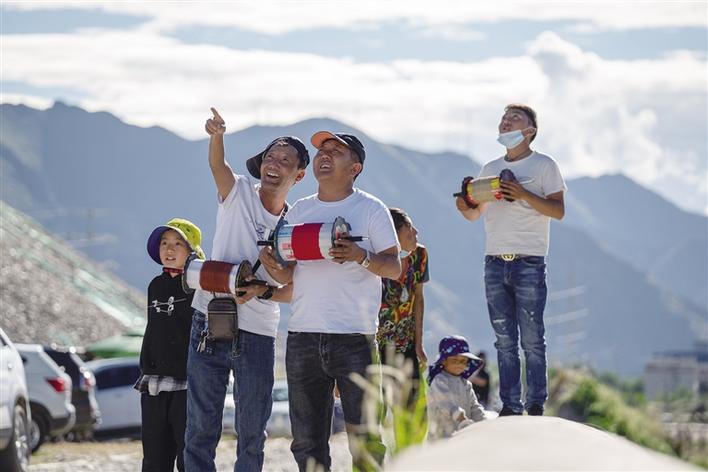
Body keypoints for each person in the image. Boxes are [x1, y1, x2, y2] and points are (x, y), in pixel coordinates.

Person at [259, 131, 401, 471]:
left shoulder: (371, 209)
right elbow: (291, 275)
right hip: (302, 337)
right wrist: (274, 267)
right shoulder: (300, 210)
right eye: (322, 150)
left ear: (355, 168)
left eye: (336, 150)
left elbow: (394, 267)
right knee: (306, 442)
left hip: (355, 338)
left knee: (365, 440)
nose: (325, 155)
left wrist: (359, 255)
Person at [184, 108, 308, 472]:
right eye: (270, 157)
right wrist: (217, 136)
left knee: (252, 433)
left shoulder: (294, 225)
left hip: (258, 332)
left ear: (299, 175)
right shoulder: (237, 191)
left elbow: (295, 287)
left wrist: (268, 283)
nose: (274, 164)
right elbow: (217, 165)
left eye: (284, 161)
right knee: (200, 428)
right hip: (209, 320)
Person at [455, 104, 566, 416]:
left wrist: (522, 193)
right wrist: (463, 203)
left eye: (515, 118)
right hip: (494, 261)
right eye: (504, 118)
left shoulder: (544, 165)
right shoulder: (489, 167)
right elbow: (474, 214)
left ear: (530, 131)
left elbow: (558, 211)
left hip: (530, 261)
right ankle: (510, 405)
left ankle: (535, 403)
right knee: (503, 340)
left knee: (532, 338)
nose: (506, 122)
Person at [137, 218, 205, 472]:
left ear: (192, 251)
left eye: (178, 243)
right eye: (164, 243)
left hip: (187, 383)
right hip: (154, 382)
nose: (169, 249)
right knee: (154, 457)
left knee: (189, 456)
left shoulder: (199, 286)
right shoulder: (155, 285)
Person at [377, 208, 429, 408]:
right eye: (409, 227)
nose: (416, 232)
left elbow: (419, 299)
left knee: (414, 410)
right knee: (375, 411)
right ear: (393, 234)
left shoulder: (420, 256)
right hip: (375, 348)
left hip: (406, 345)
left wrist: (418, 344)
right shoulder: (376, 260)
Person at [427, 336, 485, 439]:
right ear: (443, 361)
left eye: (463, 361)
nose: (459, 364)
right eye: (454, 360)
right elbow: (445, 403)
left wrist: (482, 421)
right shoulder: (439, 380)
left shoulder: (466, 384)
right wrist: (460, 417)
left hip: (462, 433)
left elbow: (474, 406)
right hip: (441, 436)